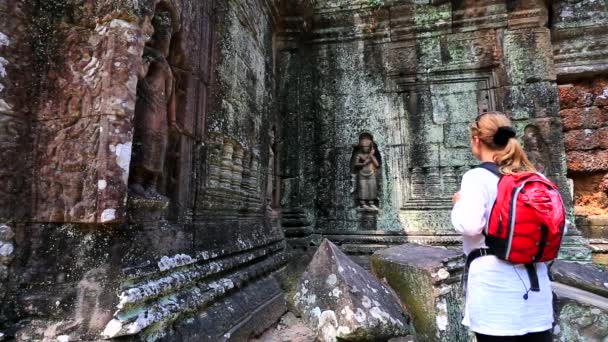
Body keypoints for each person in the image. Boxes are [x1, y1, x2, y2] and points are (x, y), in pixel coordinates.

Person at [451, 112, 554, 342]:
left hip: (495, 292)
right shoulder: (534, 176)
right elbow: (558, 226)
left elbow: (469, 225)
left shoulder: (476, 177)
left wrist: (458, 204)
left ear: (476, 140)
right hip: (537, 290)